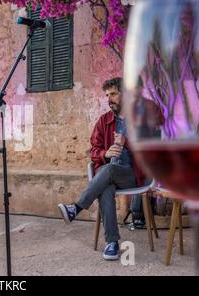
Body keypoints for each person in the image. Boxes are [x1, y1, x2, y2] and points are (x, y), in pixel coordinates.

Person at [57, 77, 146, 261]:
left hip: (133, 175)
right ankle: (112, 243)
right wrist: (105, 154)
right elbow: (94, 150)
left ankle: (76, 208)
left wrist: (126, 143)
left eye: (113, 94)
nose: (109, 98)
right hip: (109, 175)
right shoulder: (103, 121)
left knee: (109, 171)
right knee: (106, 185)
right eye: (107, 95)